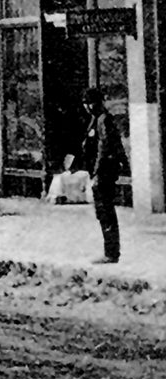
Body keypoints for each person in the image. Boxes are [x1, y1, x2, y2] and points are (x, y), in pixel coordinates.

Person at [82, 88, 129, 264]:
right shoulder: (97, 120)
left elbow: (105, 148)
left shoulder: (103, 120)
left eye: (90, 102)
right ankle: (110, 250)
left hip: (103, 172)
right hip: (100, 172)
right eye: (86, 103)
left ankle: (111, 252)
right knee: (103, 212)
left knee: (105, 212)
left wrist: (96, 173)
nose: (88, 106)